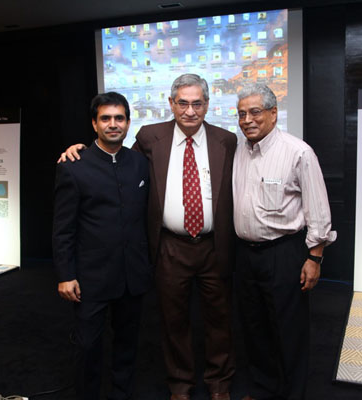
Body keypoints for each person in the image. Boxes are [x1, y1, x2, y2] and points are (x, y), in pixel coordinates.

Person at [60, 74, 237, 400]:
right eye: (182, 103)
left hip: (214, 247)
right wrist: (80, 149)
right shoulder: (150, 136)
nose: (190, 110)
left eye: (197, 103)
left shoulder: (227, 140)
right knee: (173, 321)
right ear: (171, 104)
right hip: (170, 248)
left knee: (220, 319)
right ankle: (180, 386)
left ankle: (219, 384)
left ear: (207, 105)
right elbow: (113, 159)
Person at [233, 83, 336, 400]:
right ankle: (263, 388)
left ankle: (292, 394)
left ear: (274, 113)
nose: (247, 120)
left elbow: (318, 211)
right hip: (245, 255)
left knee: (289, 330)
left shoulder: (298, 152)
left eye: (255, 112)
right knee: (254, 328)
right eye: (241, 114)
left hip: (284, 253)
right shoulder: (238, 150)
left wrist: (314, 258)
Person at [53, 92, 152, 400]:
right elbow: (63, 227)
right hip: (90, 278)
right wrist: (65, 274)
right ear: (94, 124)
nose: (113, 124)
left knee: (127, 346)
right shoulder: (74, 165)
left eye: (119, 118)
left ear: (128, 123)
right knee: (87, 347)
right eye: (105, 118)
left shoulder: (140, 163)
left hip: (132, 274)